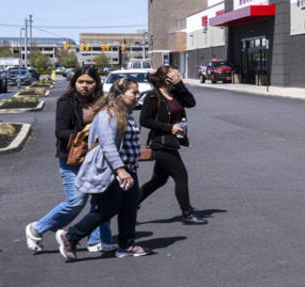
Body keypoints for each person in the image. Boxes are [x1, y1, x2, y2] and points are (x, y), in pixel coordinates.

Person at [24, 67, 113, 255]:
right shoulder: (66, 102)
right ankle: (37, 228)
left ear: (96, 83)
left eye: (89, 82)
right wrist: (84, 133)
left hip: (97, 159)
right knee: (76, 201)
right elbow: (60, 132)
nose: (85, 86)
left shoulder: (103, 102)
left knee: (101, 199)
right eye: (81, 82)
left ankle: (98, 239)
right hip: (72, 159)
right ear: (74, 83)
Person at [59, 76, 147, 259]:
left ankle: (126, 245)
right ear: (121, 94)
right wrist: (120, 170)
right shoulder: (109, 114)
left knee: (129, 207)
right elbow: (107, 145)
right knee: (109, 208)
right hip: (113, 170)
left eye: (138, 92)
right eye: (134, 92)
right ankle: (70, 236)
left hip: (129, 168)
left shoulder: (126, 113)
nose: (138, 96)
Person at [139, 66, 206, 225]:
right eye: (175, 74)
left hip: (172, 141)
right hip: (161, 143)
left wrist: (180, 85)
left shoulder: (175, 93)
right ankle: (187, 214)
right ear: (166, 78)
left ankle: (130, 204)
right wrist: (169, 128)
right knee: (181, 176)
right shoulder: (153, 96)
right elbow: (144, 120)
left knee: (158, 180)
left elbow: (191, 103)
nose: (179, 75)